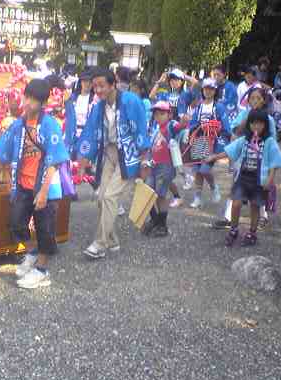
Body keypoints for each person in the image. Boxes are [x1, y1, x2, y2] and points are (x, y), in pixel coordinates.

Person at [0, 79, 69, 288]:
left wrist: (44, 192)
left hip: (46, 186)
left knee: (45, 228)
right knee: (16, 223)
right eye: (26, 97)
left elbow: (55, 161)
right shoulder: (17, 125)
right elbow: (1, 153)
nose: (27, 102)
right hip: (22, 185)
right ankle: (31, 251)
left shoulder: (50, 125)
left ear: (43, 103)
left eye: (33, 100)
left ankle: (42, 270)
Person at [77, 68, 150, 259]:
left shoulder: (131, 101)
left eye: (102, 85)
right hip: (109, 153)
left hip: (129, 154)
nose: (98, 90)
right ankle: (112, 240)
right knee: (101, 197)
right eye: (95, 86)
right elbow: (90, 134)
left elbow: (141, 129)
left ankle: (100, 243)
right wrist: (83, 162)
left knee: (110, 197)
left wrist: (144, 160)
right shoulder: (98, 107)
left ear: (113, 84)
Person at [205, 110, 281, 246]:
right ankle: (233, 230)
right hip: (243, 177)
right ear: (249, 125)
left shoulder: (269, 142)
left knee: (255, 206)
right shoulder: (245, 140)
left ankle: (252, 233)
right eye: (253, 123)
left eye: (260, 124)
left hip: (259, 180)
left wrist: (270, 179)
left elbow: (274, 162)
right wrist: (214, 157)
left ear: (265, 125)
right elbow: (230, 150)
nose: (256, 127)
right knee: (236, 203)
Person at [213, 87, 277, 230]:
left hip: (261, 160)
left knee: (260, 188)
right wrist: (248, 118)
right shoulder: (243, 114)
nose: (255, 101)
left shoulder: (269, 119)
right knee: (236, 185)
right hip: (242, 157)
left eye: (258, 98)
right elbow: (236, 132)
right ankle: (228, 216)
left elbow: (272, 141)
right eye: (252, 98)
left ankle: (263, 216)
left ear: (264, 100)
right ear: (248, 100)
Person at [187, 78, 231, 208]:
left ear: (215, 91)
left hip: (213, 142)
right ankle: (197, 197)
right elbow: (192, 123)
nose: (208, 91)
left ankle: (213, 187)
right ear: (202, 90)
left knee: (205, 169)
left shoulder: (219, 107)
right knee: (197, 171)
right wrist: (195, 129)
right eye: (206, 88)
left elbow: (225, 127)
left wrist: (219, 132)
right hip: (199, 141)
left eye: (211, 89)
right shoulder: (199, 106)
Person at [142, 101, 184, 236]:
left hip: (165, 167)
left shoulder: (170, 126)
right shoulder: (156, 129)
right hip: (153, 166)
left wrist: (184, 122)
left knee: (160, 195)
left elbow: (179, 127)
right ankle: (155, 220)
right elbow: (151, 148)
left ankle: (162, 226)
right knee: (148, 193)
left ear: (169, 115)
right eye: (156, 114)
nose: (158, 116)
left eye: (162, 113)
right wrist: (147, 162)